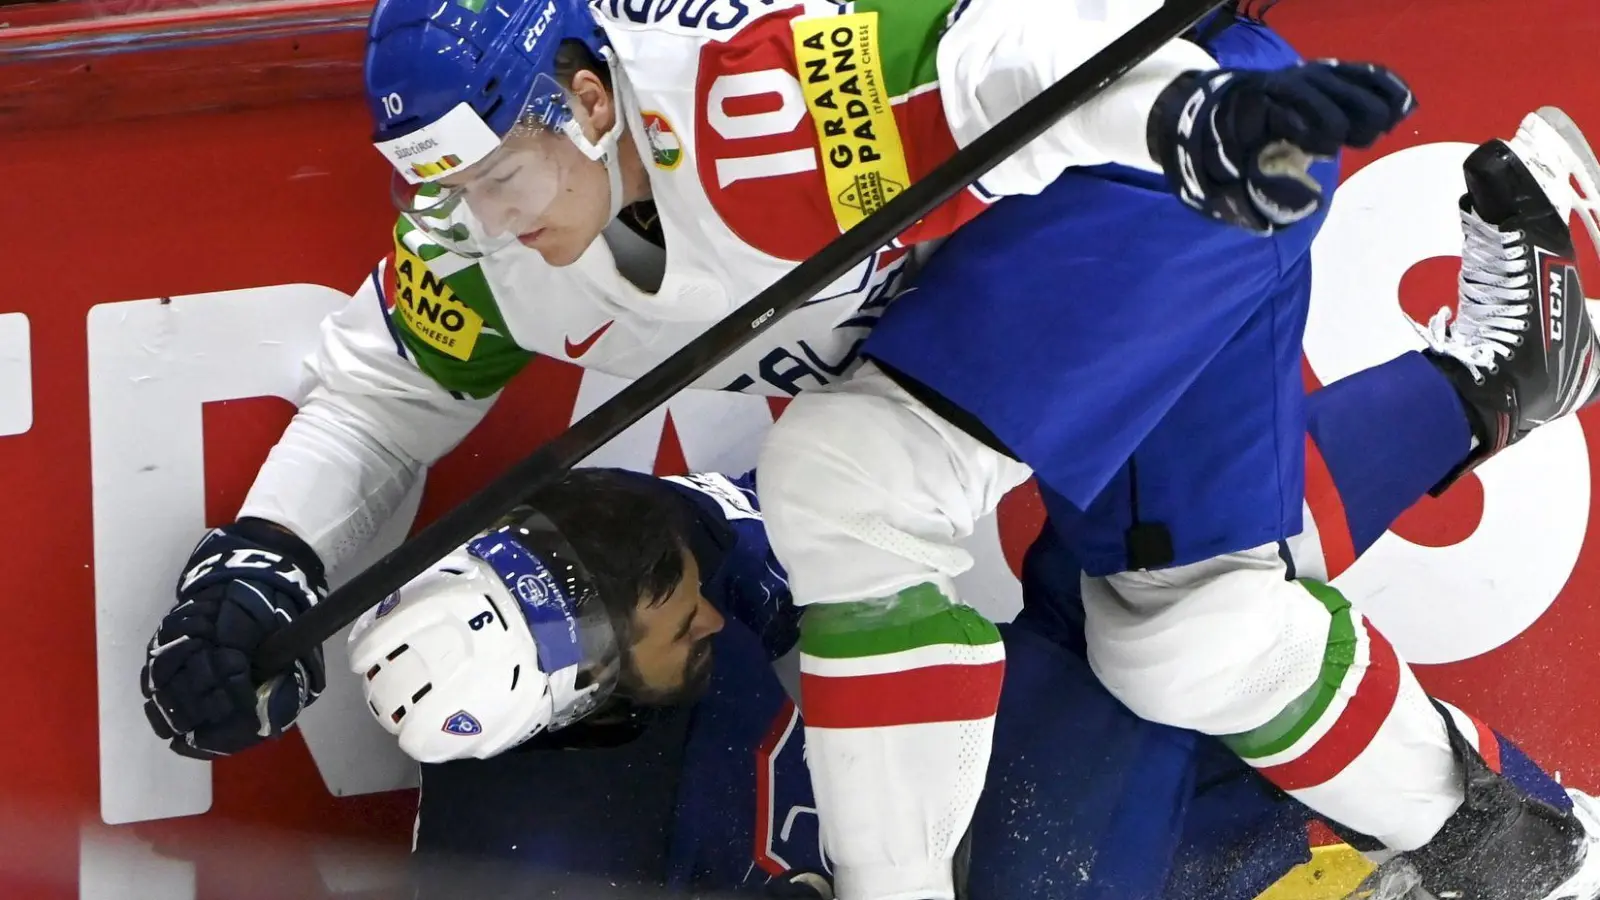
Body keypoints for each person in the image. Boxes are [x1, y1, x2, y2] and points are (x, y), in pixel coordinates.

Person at [127, 0, 1506, 895]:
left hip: (1156, 166)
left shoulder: (747, 121)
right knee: (1180, 629)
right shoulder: (492, 241)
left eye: (493, 180)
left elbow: (1000, 73)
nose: (478, 227)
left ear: (587, 98)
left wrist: (1186, 118)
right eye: (445, 193)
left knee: (857, 481)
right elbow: (380, 397)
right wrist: (261, 569)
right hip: (1036, 272)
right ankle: (1528, 838)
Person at [356, 448, 1583, 900]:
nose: (712, 621)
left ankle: (1473, 395)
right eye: (677, 632)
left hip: (1032, 758)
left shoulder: (583, 538)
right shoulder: (527, 851)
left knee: (1185, 594)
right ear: (584, 690)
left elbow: (706, 532)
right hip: (1002, 838)